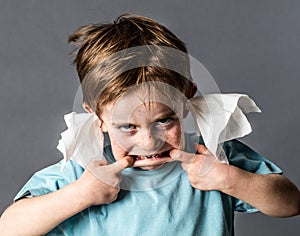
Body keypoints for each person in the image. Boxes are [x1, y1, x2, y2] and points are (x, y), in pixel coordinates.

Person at [0, 14, 299, 236]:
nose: (149, 142)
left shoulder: (212, 158)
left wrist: (228, 179)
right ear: (98, 118)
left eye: (163, 120)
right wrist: (80, 194)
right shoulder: (84, 171)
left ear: (186, 100)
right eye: (128, 127)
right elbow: (10, 228)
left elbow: (291, 203)